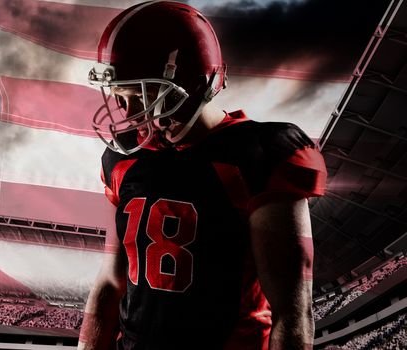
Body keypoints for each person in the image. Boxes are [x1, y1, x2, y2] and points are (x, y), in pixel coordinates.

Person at [78, 1, 327, 349]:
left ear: (193, 86)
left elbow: (293, 312)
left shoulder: (256, 155)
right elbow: (110, 282)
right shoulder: (123, 160)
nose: (130, 114)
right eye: (121, 97)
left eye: (140, 97)